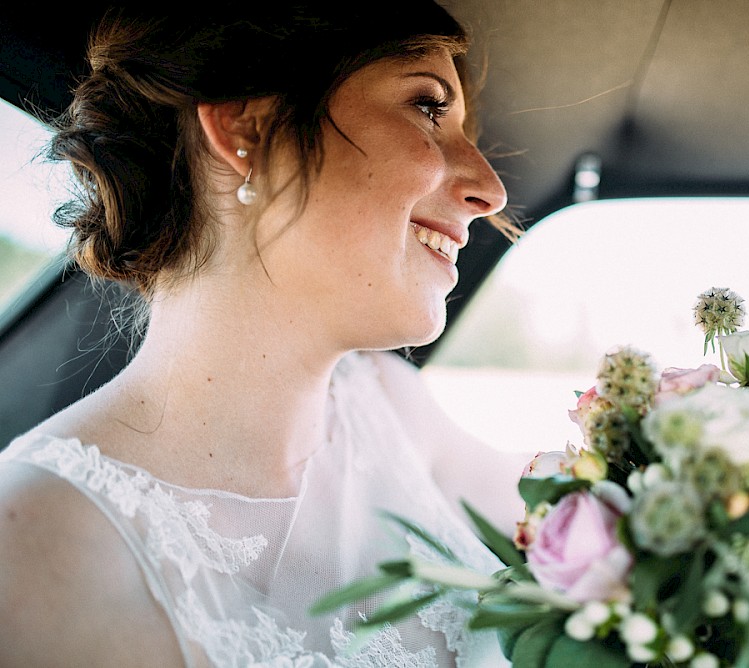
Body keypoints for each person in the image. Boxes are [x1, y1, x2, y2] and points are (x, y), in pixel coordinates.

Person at [0, 4, 531, 666]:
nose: (491, 189)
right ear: (246, 127)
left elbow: (592, 535)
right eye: (427, 108)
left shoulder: (390, 408)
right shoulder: (33, 544)